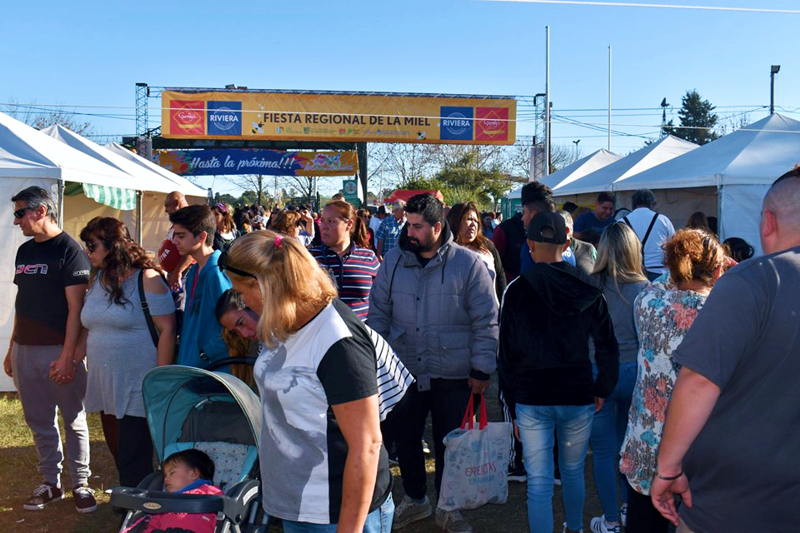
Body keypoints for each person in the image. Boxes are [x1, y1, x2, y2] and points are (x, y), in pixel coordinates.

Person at [651, 169, 800, 533]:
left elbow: (699, 381)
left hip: (734, 505)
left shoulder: (754, 280)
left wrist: (668, 469)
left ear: (767, 221)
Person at [220, 231, 394, 532]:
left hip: (336, 511)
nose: (242, 301)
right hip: (299, 504)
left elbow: (367, 446)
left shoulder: (337, 340)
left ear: (263, 285)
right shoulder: (285, 321)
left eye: (241, 291)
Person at [368, 194, 498, 533]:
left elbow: (486, 319)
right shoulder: (393, 262)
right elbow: (378, 313)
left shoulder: (469, 264)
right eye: (408, 224)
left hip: (454, 373)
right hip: (403, 371)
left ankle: (448, 505)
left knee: (450, 444)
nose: (408, 231)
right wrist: (377, 362)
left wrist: (482, 368)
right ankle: (415, 498)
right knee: (406, 438)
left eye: (416, 226)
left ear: (437, 227)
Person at [498, 211, 619, 533]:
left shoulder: (517, 290)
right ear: (567, 244)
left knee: (539, 482)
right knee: (572, 472)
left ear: (530, 245)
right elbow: (607, 346)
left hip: (533, 397)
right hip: (576, 393)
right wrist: (602, 387)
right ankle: (574, 528)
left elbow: (506, 355)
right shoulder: (588, 285)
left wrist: (512, 404)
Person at [619, 228, 727, 533]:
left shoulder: (647, 302)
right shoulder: (718, 313)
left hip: (646, 438)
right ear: (717, 270)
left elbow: (663, 281)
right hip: (696, 441)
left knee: (644, 523)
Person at [3, 186, 96, 513]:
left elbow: (76, 309)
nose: (17, 221)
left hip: (59, 349)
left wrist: (68, 356)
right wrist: (12, 347)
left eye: (20, 213)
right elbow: (22, 302)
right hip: (25, 349)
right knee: (39, 420)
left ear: (41, 211)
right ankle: (51, 483)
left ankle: (81, 483)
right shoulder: (25, 251)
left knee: (73, 419)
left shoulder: (70, 250)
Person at [78, 217, 176, 488]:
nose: (87, 251)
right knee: (119, 450)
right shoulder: (98, 278)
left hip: (137, 382)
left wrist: (159, 381)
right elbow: (90, 325)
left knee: (134, 453)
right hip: (105, 380)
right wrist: (70, 360)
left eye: (92, 245)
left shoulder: (148, 278)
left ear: (113, 246)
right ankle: (130, 497)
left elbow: (167, 329)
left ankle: (137, 504)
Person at [588, 223, 649, 533]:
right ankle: (627, 507)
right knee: (629, 445)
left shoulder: (591, 285)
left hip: (600, 373)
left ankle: (611, 520)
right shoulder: (645, 288)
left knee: (603, 451)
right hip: (634, 372)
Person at [169, 205, 232, 369]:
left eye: (181, 236)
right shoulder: (194, 271)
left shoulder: (216, 275)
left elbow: (233, 328)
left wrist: (205, 354)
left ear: (202, 237)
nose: (174, 241)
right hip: (193, 369)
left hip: (211, 372)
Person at [121, 449, 223, 533]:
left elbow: (221, 520)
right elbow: (152, 524)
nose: (166, 479)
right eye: (165, 475)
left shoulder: (211, 493)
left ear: (194, 474)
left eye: (172, 473)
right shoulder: (165, 502)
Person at [310, 201, 380, 321]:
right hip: (321, 331)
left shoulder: (368, 257)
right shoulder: (309, 257)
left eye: (331, 221)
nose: (323, 226)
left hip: (360, 331)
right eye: (322, 221)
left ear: (349, 225)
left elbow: (382, 300)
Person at [496, 182, 556, 283]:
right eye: (546, 214)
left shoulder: (559, 235)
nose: (549, 220)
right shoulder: (505, 229)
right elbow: (493, 263)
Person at [446, 202, 506, 301]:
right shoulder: (445, 250)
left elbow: (500, 275)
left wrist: (502, 303)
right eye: (469, 219)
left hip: (490, 307)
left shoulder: (487, 246)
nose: (473, 224)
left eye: (476, 221)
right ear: (456, 221)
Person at [621, 189, 676, 281]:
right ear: (652, 204)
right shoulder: (663, 220)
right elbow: (673, 246)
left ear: (633, 203)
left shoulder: (622, 222)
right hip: (658, 272)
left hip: (630, 272)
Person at [159, 191, 194, 306]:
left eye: (167, 206)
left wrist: (178, 272)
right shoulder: (180, 221)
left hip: (184, 274)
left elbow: (191, 249)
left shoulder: (189, 220)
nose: (166, 210)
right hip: (176, 274)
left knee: (180, 308)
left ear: (176, 203)